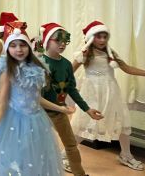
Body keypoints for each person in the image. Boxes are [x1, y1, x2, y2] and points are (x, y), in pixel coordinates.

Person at [0, 24, 68, 175]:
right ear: (7, 48)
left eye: (22, 45)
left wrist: (60, 108)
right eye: (13, 45)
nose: (18, 49)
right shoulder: (7, 70)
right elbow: (2, 102)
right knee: (14, 162)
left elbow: (36, 98)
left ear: (28, 46)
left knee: (35, 161)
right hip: (13, 123)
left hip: (36, 122)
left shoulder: (36, 68)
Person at [72, 21, 145, 172]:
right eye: (99, 37)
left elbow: (126, 68)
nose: (102, 40)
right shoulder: (84, 53)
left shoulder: (111, 53)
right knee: (84, 123)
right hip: (92, 93)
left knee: (121, 121)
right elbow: (69, 71)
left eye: (105, 37)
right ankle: (66, 154)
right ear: (91, 38)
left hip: (112, 92)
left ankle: (126, 155)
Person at [40, 22, 104, 176]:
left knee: (70, 145)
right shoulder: (39, 63)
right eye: (58, 40)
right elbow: (35, 95)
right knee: (39, 147)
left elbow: (71, 89)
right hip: (39, 113)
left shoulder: (66, 64)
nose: (62, 44)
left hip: (59, 112)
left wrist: (87, 109)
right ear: (47, 40)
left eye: (65, 41)